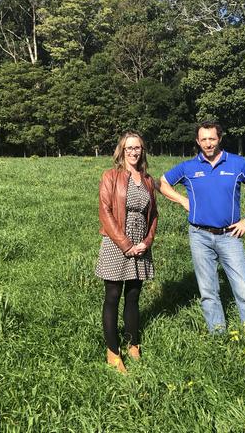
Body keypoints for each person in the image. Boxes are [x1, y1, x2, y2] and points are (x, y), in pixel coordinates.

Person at [159, 121, 245, 345]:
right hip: (199, 235)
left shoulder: (237, 163)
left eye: (212, 139)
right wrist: (183, 201)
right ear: (198, 142)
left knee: (244, 290)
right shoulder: (189, 168)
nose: (208, 144)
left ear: (219, 139)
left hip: (230, 236)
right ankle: (218, 337)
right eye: (204, 139)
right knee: (208, 290)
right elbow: (162, 183)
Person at [96, 131, 158, 373]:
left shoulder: (147, 180)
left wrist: (147, 241)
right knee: (112, 296)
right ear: (122, 150)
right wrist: (125, 243)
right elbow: (105, 211)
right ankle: (113, 351)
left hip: (140, 242)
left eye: (138, 148)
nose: (134, 152)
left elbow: (153, 216)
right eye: (130, 148)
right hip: (116, 241)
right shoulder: (111, 176)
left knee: (133, 295)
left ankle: (133, 343)